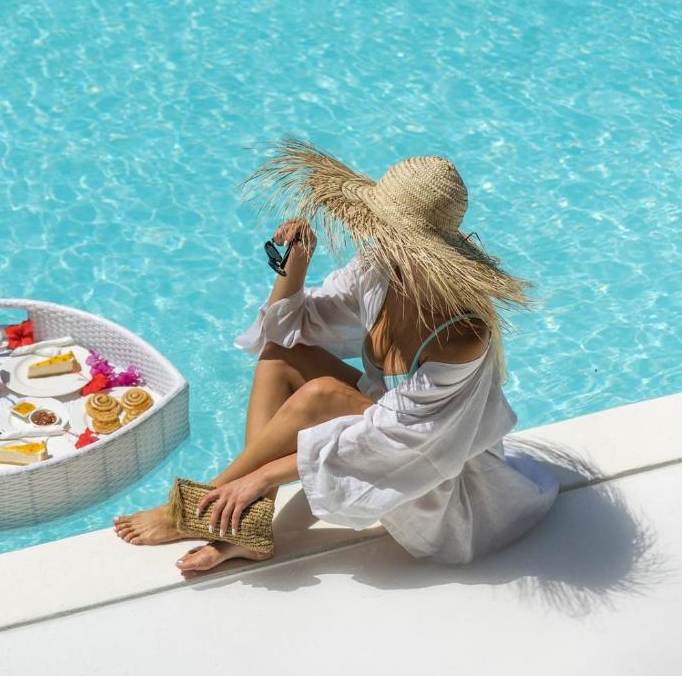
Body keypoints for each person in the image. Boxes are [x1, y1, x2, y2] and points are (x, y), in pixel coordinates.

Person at [113, 138, 559, 573]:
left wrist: (263, 477)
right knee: (279, 357)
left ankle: (198, 504)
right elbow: (288, 331)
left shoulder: (461, 332)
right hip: (391, 428)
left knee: (322, 393)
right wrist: (298, 264)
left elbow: (402, 439)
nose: (371, 234)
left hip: (432, 470)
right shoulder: (381, 268)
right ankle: (246, 527)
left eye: (383, 228)